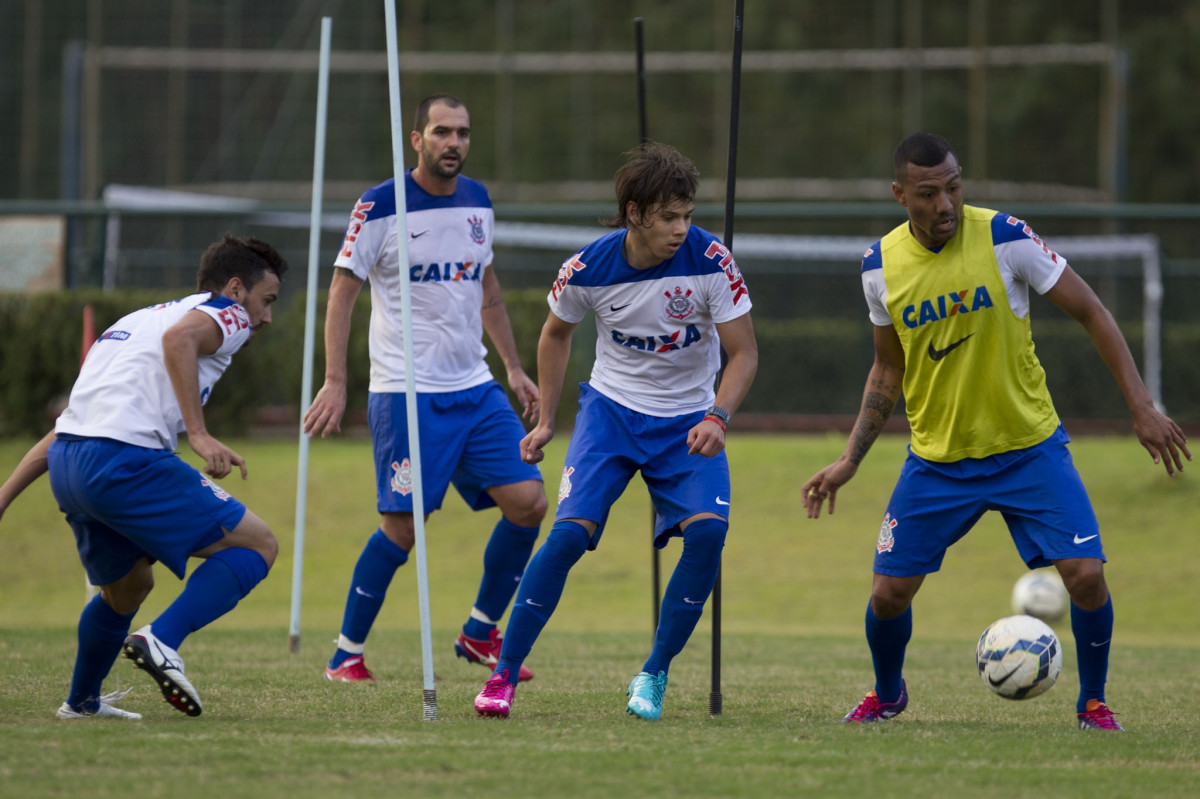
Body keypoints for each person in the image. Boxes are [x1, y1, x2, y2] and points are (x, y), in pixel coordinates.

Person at [801, 132, 1191, 731]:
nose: (945, 205)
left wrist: (1142, 406)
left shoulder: (1006, 236)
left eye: (954, 188)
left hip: (1029, 450)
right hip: (936, 461)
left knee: (1086, 576)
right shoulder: (878, 266)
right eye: (928, 194)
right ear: (901, 195)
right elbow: (887, 366)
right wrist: (851, 458)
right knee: (886, 596)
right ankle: (887, 694)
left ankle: (1093, 703)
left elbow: (1091, 309)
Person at [472, 142, 759, 721]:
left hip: (688, 422)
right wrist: (549, 419)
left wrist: (717, 416)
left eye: (687, 215)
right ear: (634, 213)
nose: (682, 228)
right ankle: (503, 676)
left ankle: (653, 674)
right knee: (568, 536)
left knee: (706, 536)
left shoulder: (711, 260)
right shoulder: (588, 268)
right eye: (669, 217)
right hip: (611, 414)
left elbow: (745, 354)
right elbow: (555, 335)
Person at [303, 93, 546, 684]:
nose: (453, 143)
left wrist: (513, 368)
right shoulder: (379, 205)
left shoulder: (478, 201)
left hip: (476, 389)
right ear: (417, 140)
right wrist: (335, 380)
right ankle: (345, 654)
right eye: (441, 132)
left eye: (462, 132)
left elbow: (486, 288)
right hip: (406, 394)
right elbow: (342, 291)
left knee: (530, 503)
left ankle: (480, 632)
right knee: (404, 528)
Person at [0, 233, 288, 719]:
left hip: (70, 464)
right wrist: (198, 434)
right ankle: (162, 639)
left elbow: (69, 424)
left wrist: (5, 496)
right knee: (258, 545)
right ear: (236, 289)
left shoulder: (133, 322)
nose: (266, 317)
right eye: (267, 301)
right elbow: (183, 340)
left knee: (127, 587)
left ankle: (82, 703)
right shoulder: (226, 313)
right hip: (122, 461)